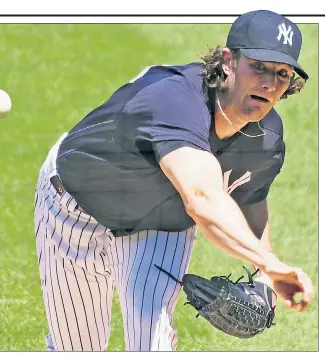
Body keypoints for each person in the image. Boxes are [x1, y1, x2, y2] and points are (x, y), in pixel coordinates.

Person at [34, 9, 314, 352]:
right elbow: (201, 199)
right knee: (76, 347)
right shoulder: (173, 100)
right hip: (73, 208)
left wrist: (265, 276)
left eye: (282, 73)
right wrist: (273, 263)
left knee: (153, 344)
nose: (270, 84)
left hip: (159, 223)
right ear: (227, 61)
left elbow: (250, 198)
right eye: (258, 66)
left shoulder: (267, 138)